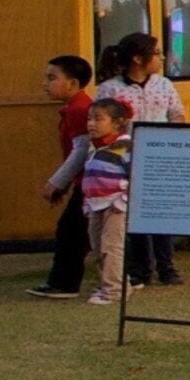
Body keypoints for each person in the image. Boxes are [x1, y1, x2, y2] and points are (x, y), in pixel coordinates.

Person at [100, 33, 186, 286]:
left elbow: (177, 114)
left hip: (160, 157)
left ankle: (167, 266)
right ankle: (141, 268)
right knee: (134, 213)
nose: (160, 58)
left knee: (161, 212)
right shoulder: (111, 89)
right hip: (127, 159)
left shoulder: (164, 85)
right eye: (156, 53)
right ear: (138, 58)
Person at [46, 96, 134, 304]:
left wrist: (122, 201)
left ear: (117, 122)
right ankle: (115, 283)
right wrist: (87, 203)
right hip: (95, 205)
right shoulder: (94, 147)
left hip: (115, 206)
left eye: (98, 119)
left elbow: (135, 176)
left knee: (111, 247)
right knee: (97, 246)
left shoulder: (125, 146)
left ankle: (114, 291)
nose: (91, 124)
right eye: (89, 119)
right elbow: (91, 178)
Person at [28, 55, 95, 299]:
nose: (45, 83)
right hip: (85, 182)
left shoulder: (79, 110)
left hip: (91, 183)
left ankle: (64, 284)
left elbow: (82, 150)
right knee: (76, 231)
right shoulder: (75, 108)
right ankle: (64, 282)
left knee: (72, 232)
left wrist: (56, 182)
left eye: (52, 78)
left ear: (73, 83)